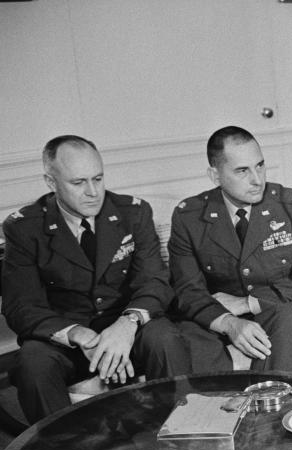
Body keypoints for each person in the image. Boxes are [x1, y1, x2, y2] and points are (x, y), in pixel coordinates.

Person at [1, 135, 192, 426]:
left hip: (126, 329)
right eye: (78, 183)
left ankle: (183, 430)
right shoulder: (24, 228)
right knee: (33, 363)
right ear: (51, 183)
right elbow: (21, 306)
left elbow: (155, 282)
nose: (93, 192)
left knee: (164, 337)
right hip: (66, 341)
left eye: (98, 179)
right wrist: (79, 334)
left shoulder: (133, 213)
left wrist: (127, 324)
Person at [168, 126, 292, 373]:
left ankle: (275, 406)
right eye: (242, 171)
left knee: (290, 319)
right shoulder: (189, 217)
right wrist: (228, 323)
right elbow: (188, 290)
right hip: (219, 313)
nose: (257, 179)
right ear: (215, 175)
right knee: (187, 333)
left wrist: (247, 303)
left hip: (276, 309)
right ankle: (213, 408)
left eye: (260, 165)